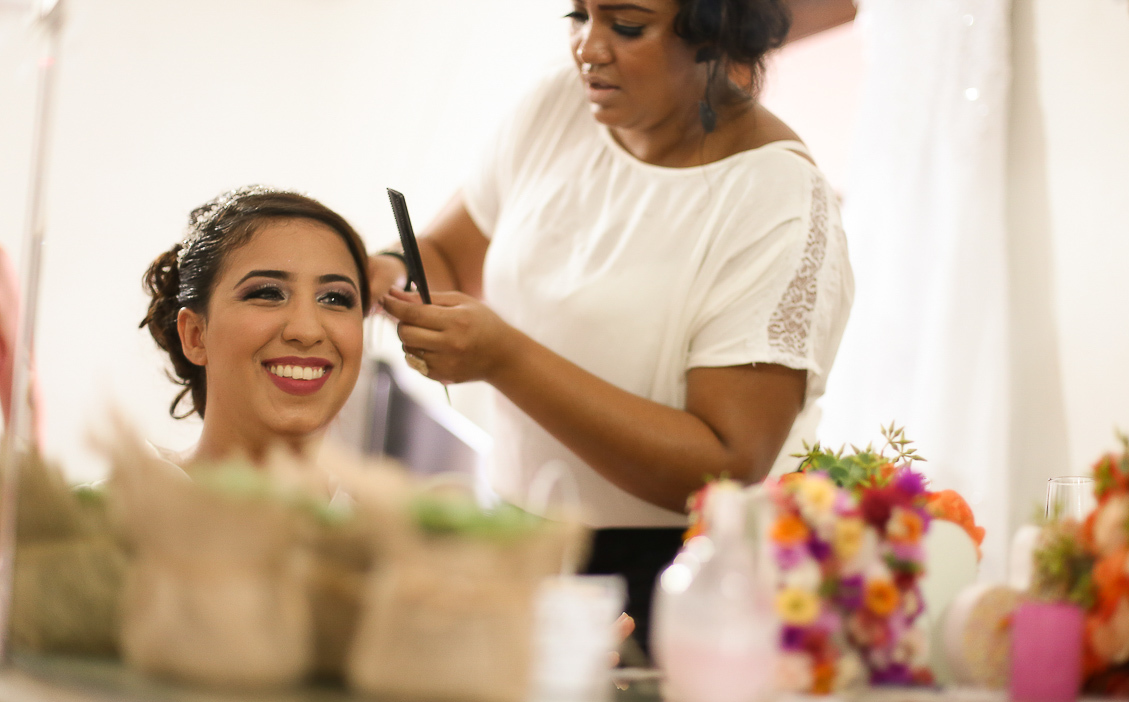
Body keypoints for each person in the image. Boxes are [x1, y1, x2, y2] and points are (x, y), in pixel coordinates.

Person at [373, 0, 854, 654]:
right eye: (579, 15)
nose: (588, 49)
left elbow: (724, 462)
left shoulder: (776, 200)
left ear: (717, 32)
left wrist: (505, 358)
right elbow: (453, 253)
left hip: (673, 586)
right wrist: (387, 271)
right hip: (518, 543)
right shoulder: (557, 107)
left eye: (626, 26)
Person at [142, 186, 369, 465]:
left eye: (335, 298)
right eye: (267, 293)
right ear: (195, 335)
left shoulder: (399, 509)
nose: (307, 331)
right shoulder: (101, 508)